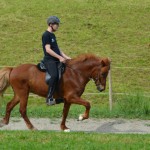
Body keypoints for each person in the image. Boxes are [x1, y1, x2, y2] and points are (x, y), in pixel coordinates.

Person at [42, 16, 71, 105]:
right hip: (49, 60)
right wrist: (59, 58)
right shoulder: (46, 35)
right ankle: (49, 98)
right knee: (54, 75)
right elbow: (48, 49)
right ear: (51, 24)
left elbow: (57, 49)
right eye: (56, 24)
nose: (58, 26)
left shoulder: (53, 35)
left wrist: (66, 57)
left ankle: (60, 95)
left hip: (56, 59)